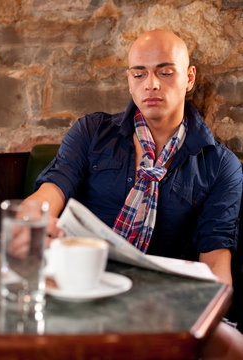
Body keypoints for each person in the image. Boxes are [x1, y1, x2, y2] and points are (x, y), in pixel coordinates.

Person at [27, 29, 243, 358]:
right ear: (129, 79)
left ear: (189, 78)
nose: (151, 84)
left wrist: (198, 314)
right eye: (139, 73)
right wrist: (31, 220)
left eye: (165, 72)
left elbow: (216, 263)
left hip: (164, 302)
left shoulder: (221, 166)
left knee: (232, 347)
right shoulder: (91, 132)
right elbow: (50, 191)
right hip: (83, 285)